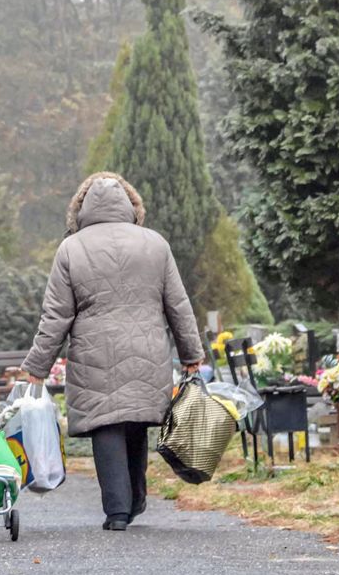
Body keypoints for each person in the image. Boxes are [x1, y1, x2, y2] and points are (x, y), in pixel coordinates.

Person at [21, 172, 203, 531]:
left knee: (106, 426)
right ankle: (135, 499)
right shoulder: (155, 244)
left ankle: (117, 510)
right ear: (131, 205)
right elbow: (178, 306)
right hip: (147, 349)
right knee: (135, 422)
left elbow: (57, 315)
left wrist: (38, 365)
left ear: (81, 209)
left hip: (94, 354)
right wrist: (191, 355)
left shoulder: (71, 248)